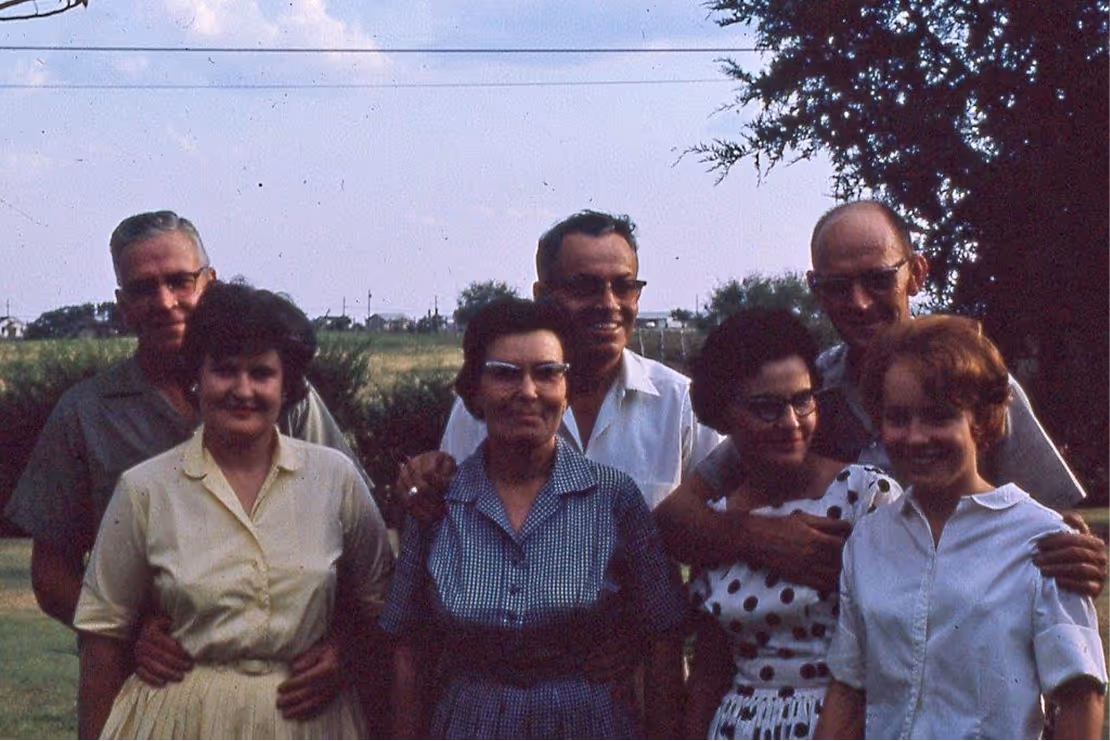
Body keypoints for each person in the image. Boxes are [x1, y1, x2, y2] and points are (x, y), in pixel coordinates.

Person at [3, 210, 373, 720]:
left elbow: (354, 549)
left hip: (291, 695)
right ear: (122, 305)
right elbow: (49, 572)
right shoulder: (86, 413)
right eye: (142, 289)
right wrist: (131, 635)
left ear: (210, 281)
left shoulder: (290, 402)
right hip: (154, 686)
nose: (165, 302)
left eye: (180, 281)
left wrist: (344, 645)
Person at [654, 200, 1104, 596]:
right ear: (815, 289)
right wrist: (756, 535)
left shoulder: (980, 388)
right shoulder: (807, 398)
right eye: (837, 287)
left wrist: (1076, 555)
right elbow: (677, 516)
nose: (860, 303)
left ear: (917, 274)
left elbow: (1057, 526)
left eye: (878, 279)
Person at [74, 281, 394, 739]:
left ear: (287, 387)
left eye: (261, 373)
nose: (242, 390)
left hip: (309, 721)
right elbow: (102, 634)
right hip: (179, 720)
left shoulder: (333, 479)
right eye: (224, 371)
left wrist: (347, 651)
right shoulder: (145, 489)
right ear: (196, 378)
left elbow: (382, 608)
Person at [381, 299, 686, 739]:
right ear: (476, 390)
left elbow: (663, 634)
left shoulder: (614, 498)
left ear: (567, 388)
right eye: (505, 373)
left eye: (547, 373)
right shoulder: (437, 501)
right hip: (469, 724)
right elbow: (406, 643)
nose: (528, 392)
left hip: (590, 723)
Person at [814, 315, 1106, 739]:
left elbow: (1080, 695)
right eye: (898, 417)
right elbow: (849, 685)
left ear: (982, 421)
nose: (915, 437)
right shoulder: (869, 539)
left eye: (938, 417)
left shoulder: (1044, 539)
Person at [404, 209, 723, 513]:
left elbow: (716, 523)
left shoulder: (679, 404)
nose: (609, 304)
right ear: (541, 294)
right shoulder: (489, 405)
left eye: (624, 287)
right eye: (585, 287)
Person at [677, 310, 901, 741]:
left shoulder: (866, 498)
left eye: (802, 400)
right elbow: (708, 672)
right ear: (724, 415)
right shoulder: (720, 521)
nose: (792, 423)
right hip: (739, 726)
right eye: (767, 408)